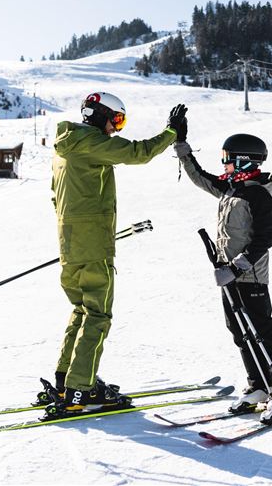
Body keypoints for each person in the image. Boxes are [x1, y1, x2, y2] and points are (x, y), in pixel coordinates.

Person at [45, 92, 187, 418]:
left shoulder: (63, 148)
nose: (116, 129)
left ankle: (66, 380)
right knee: (97, 315)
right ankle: (81, 388)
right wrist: (171, 133)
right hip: (93, 246)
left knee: (82, 310)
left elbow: (56, 198)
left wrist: (76, 238)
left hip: (71, 245)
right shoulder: (90, 141)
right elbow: (137, 153)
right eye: (117, 120)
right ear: (101, 116)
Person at [173, 130, 272, 422]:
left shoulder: (257, 193)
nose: (224, 165)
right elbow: (200, 177)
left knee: (264, 334)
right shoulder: (231, 187)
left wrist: (237, 267)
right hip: (227, 275)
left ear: (244, 161)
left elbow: (264, 240)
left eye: (227, 160)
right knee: (240, 333)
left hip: (249, 277)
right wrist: (181, 145)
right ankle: (259, 385)